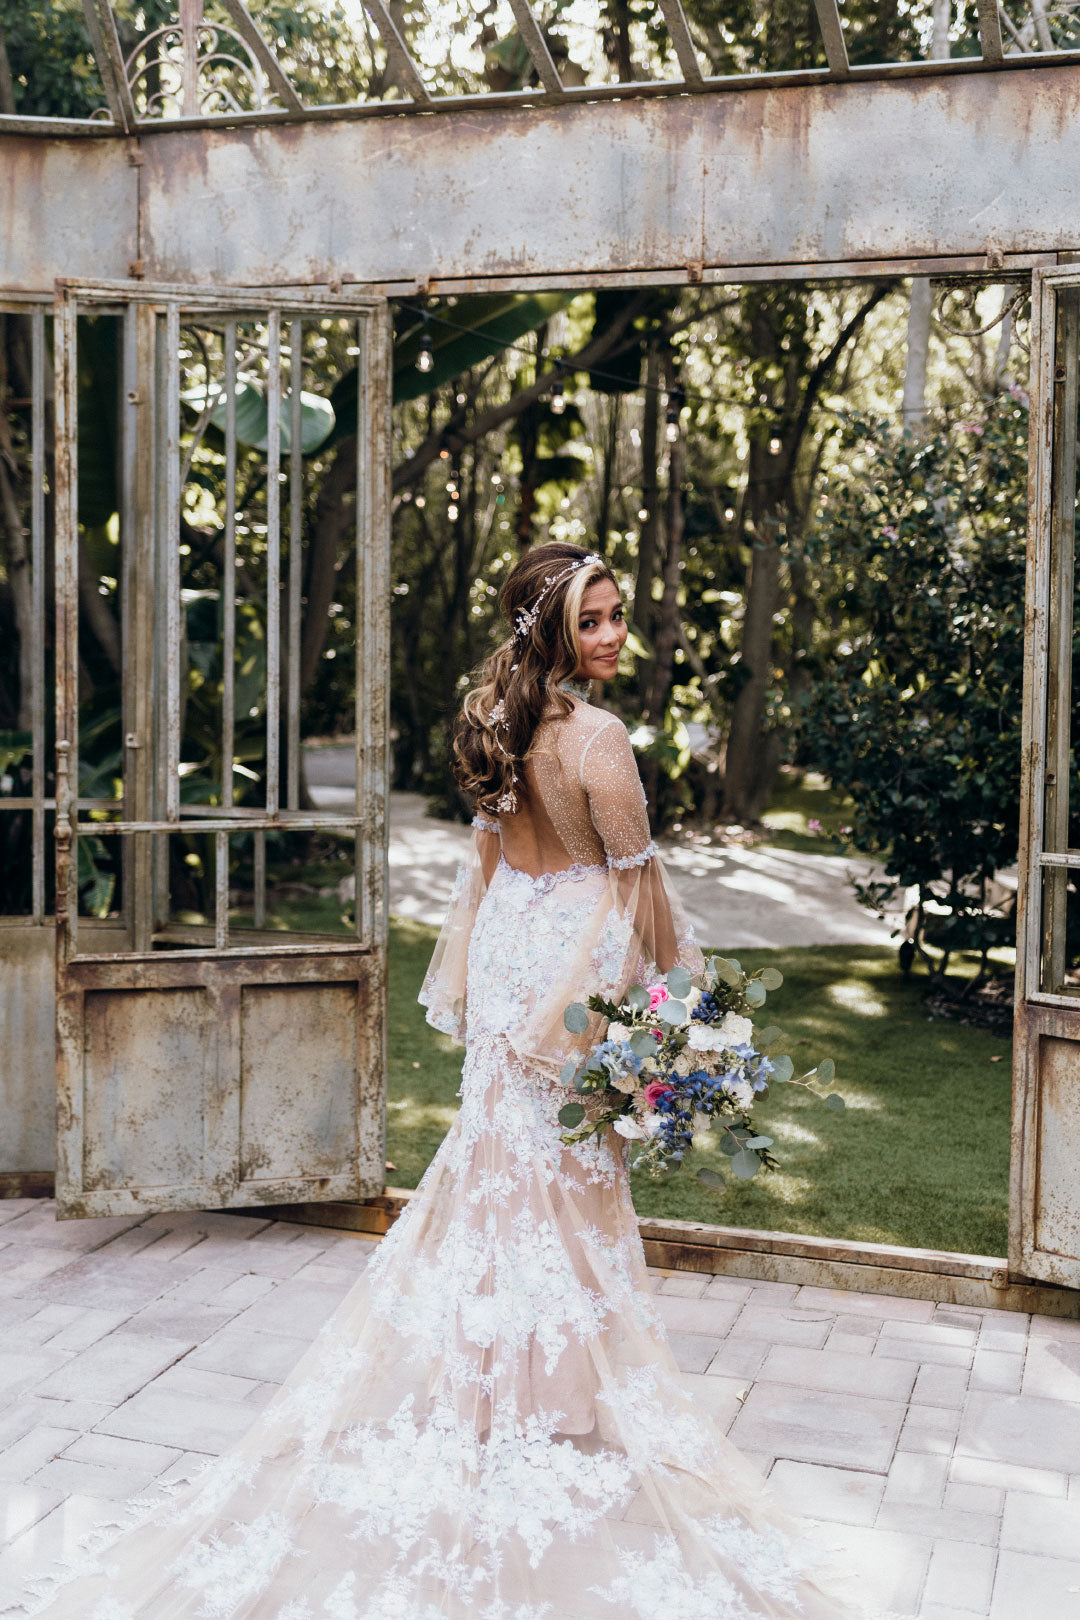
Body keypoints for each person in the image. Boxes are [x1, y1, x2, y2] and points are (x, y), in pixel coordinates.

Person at [14, 542, 865, 1619]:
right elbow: (637, 898)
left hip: (517, 952)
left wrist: (490, 975)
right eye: (595, 620)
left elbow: (488, 869)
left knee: (506, 1176)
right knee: (566, 1180)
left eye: (616, 617)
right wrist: (691, 1010)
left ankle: (510, 1386)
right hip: (573, 972)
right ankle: (551, 1396)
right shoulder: (600, 740)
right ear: (552, 629)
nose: (614, 636)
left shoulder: (491, 718)